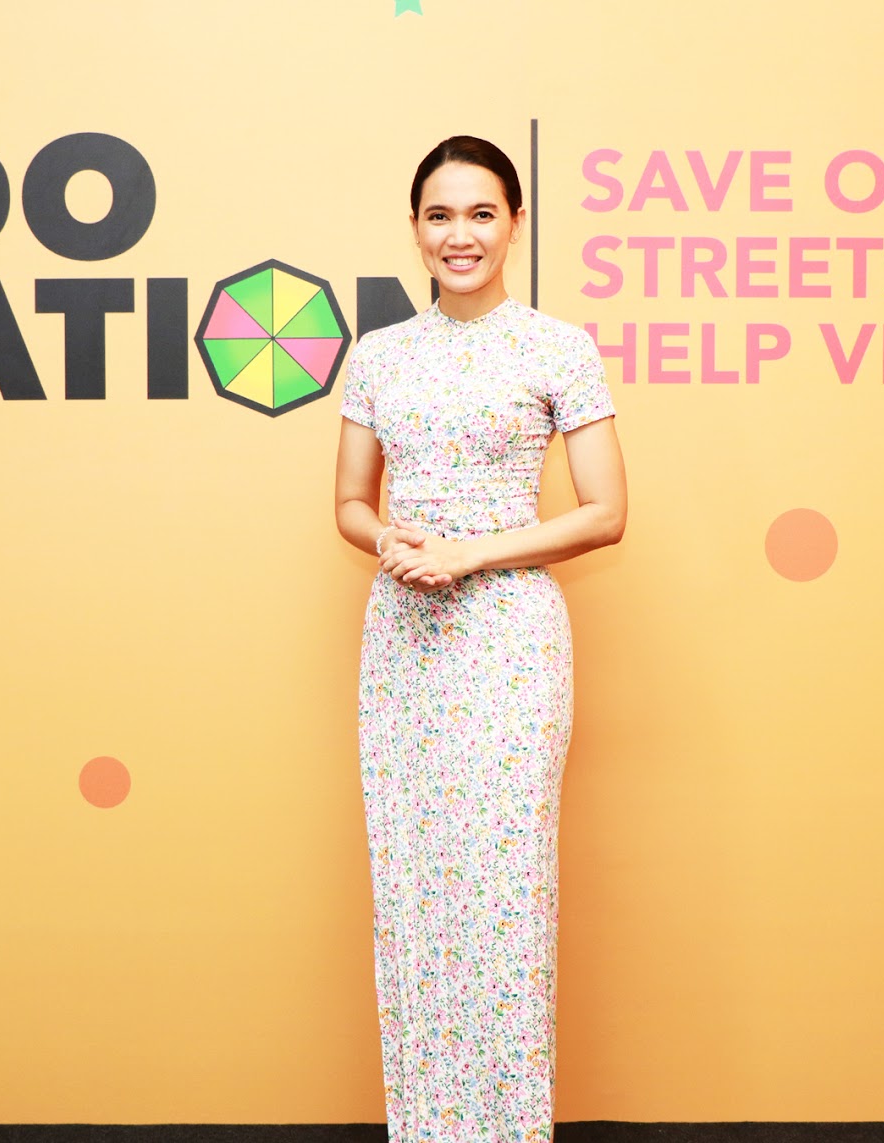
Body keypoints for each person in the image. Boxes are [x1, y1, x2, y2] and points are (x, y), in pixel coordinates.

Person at [334, 135, 627, 1140]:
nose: (459, 235)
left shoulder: (558, 348)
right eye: (439, 215)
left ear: (514, 224)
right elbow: (348, 503)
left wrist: (469, 554)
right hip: (403, 639)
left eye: (480, 214)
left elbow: (605, 513)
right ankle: (428, 1128)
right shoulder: (378, 354)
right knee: (414, 886)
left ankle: (508, 1130)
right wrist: (392, 541)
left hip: (508, 640)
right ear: (416, 229)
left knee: (505, 890)